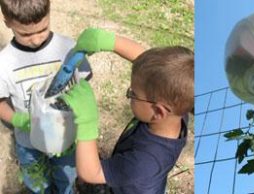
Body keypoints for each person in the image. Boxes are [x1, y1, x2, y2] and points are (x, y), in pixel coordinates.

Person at [61, 28, 194, 194]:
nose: (130, 94)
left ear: (158, 112)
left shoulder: (144, 161)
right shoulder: (178, 108)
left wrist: (87, 121)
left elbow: (91, 173)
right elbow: (155, 72)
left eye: (133, 94)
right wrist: (109, 41)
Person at [0, 0, 91, 193]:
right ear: (7, 21)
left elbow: (84, 82)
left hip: (65, 136)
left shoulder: (68, 48)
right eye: (25, 33)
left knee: (67, 178)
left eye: (42, 29)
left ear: (50, 13)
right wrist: (18, 119)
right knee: (37, 182)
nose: (35, 39)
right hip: (28, 141)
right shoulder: (4, 62)